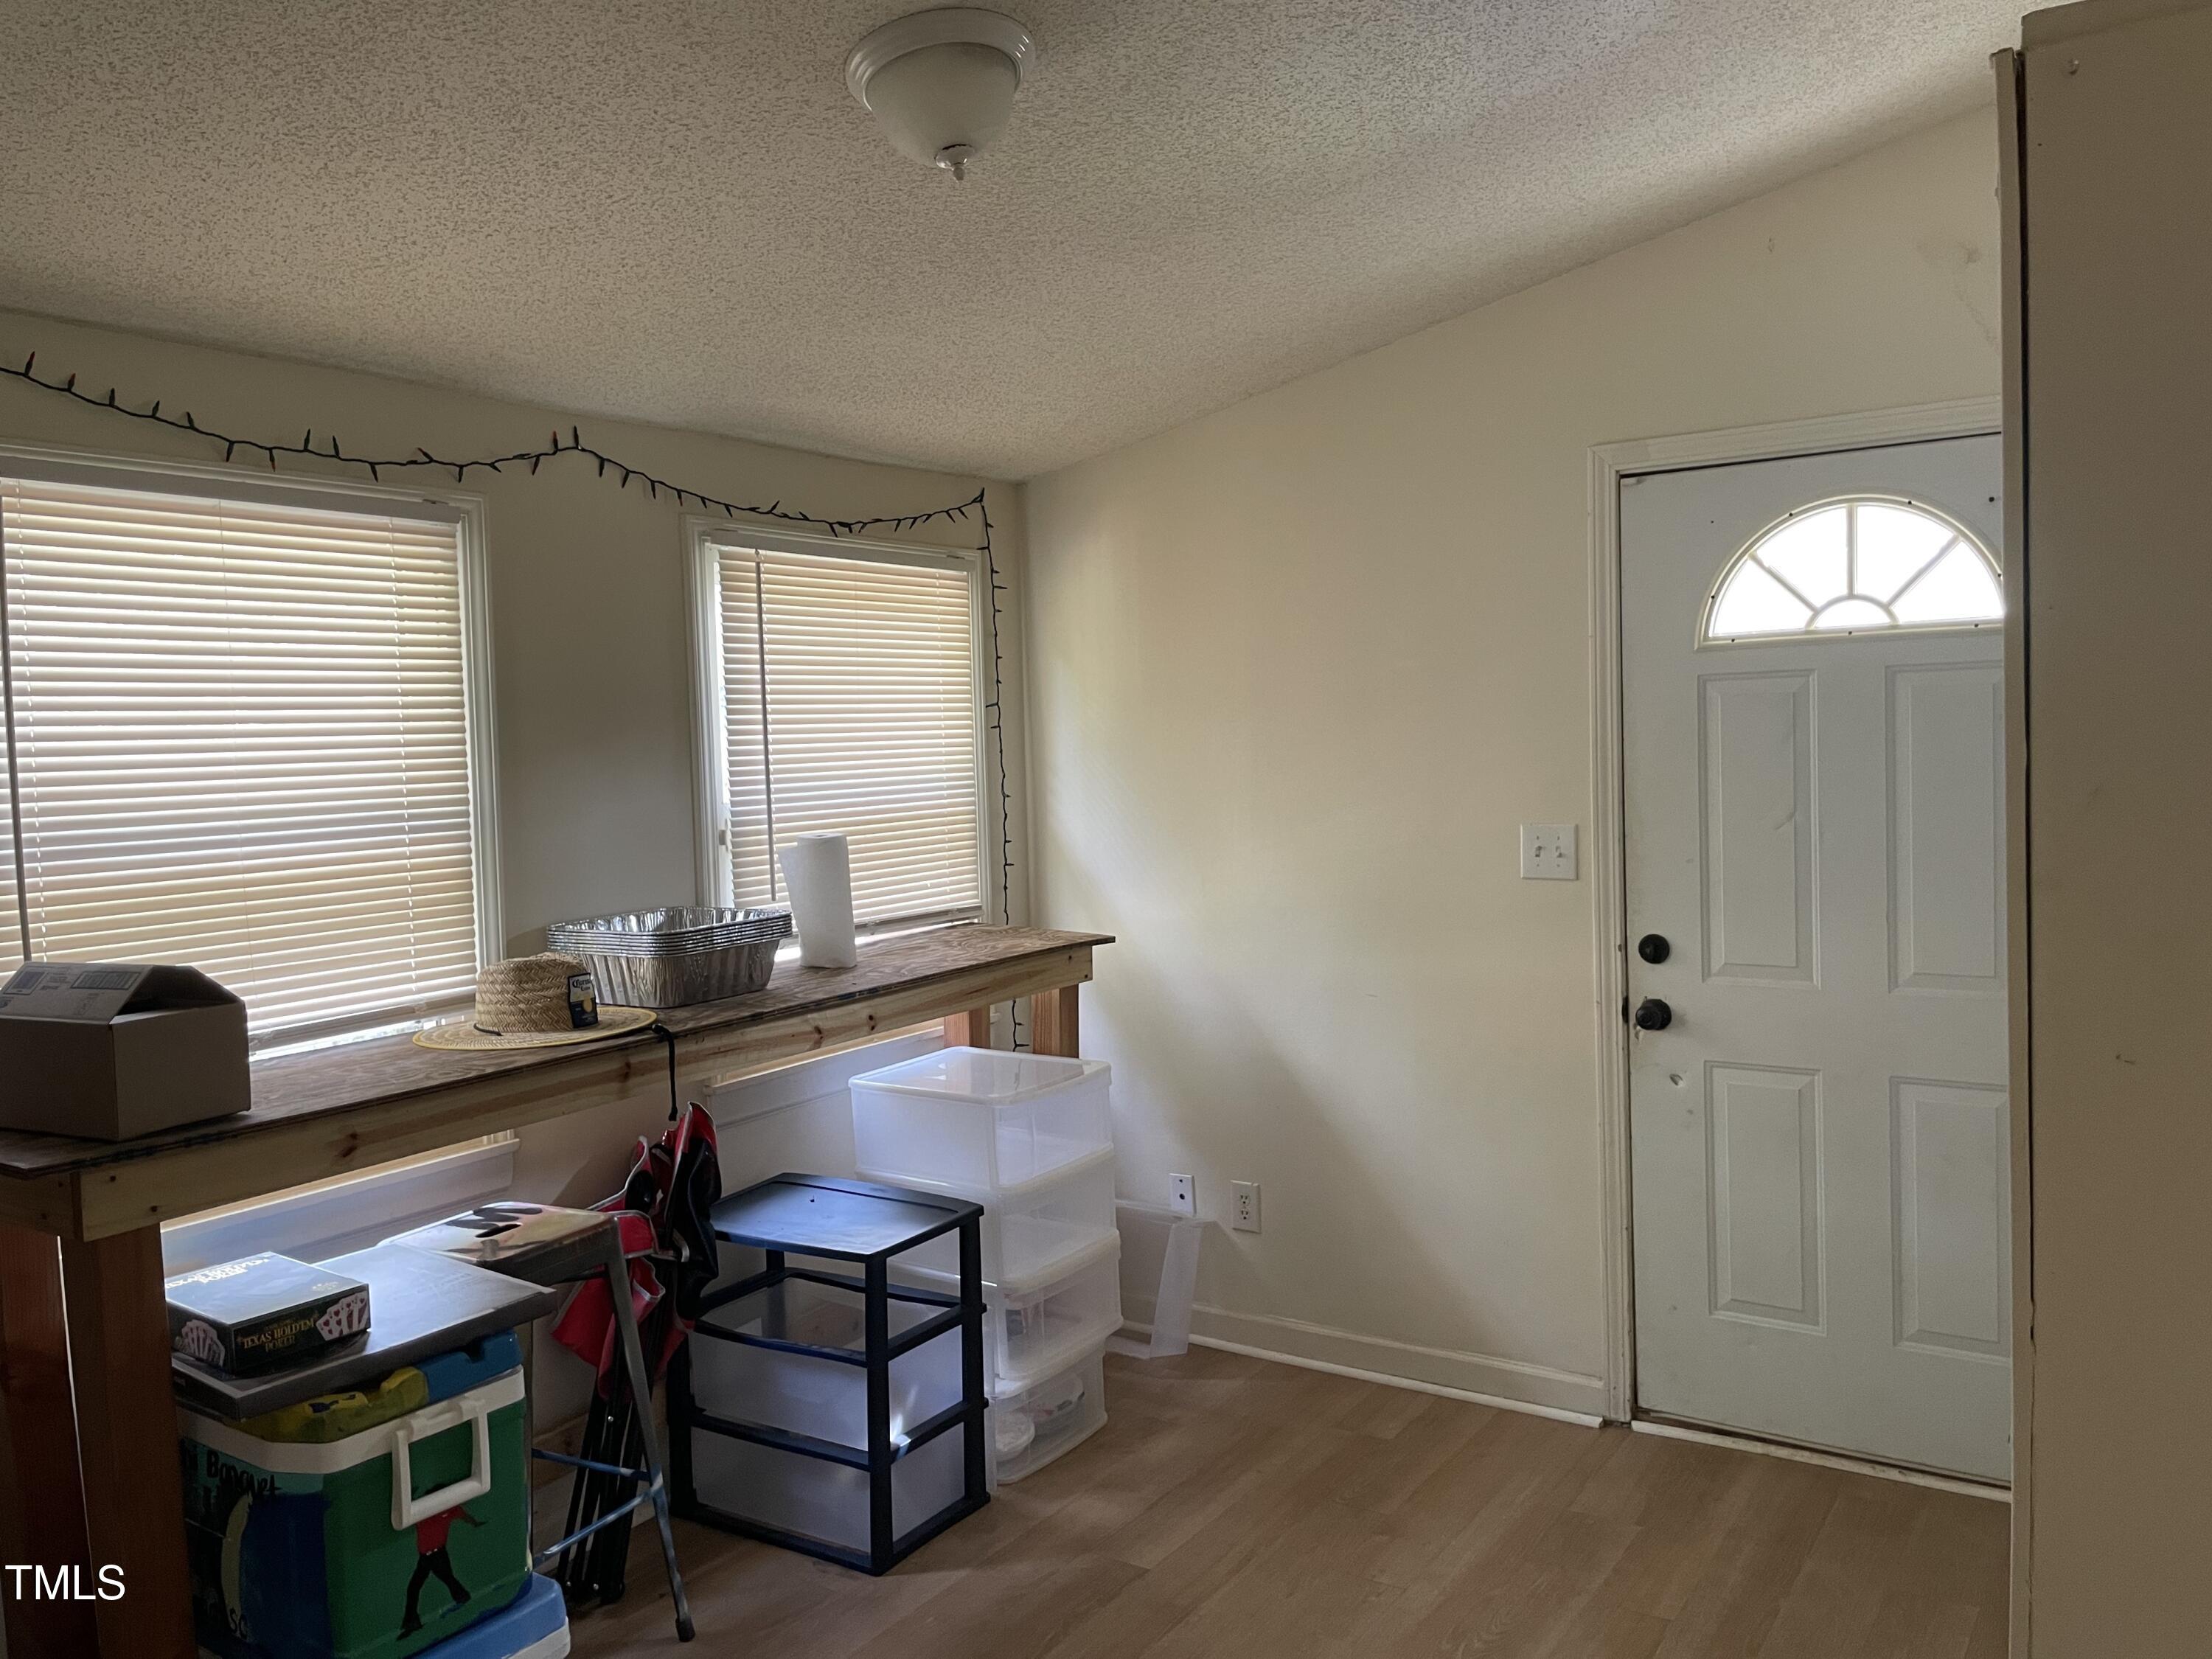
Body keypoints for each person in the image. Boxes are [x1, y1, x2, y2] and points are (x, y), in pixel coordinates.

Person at [397, 1503, 484, 1637]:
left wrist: (475, 1523)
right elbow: (465, 1517)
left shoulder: (447, 1510)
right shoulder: (426, 1512)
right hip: (427, 1557)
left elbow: (464, 1516)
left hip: (437, 1555)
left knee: (444, 1580)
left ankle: (464, 1600)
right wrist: (474, 1523)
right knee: (421, 1585)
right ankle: (411, 1620)